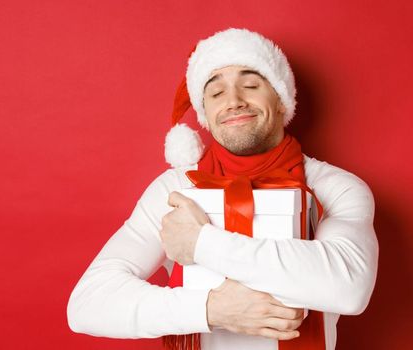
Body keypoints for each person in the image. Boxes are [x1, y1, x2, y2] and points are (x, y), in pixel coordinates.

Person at [67, 28, 378, 350]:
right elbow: (88, 304)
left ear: (283, 101)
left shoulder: (334, 188)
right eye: (216, 94)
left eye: (251, 85)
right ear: (205, 115)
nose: (233, 101)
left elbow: (349, 288)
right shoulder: (174, 189)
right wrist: (211, 309)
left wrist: (201, 243)